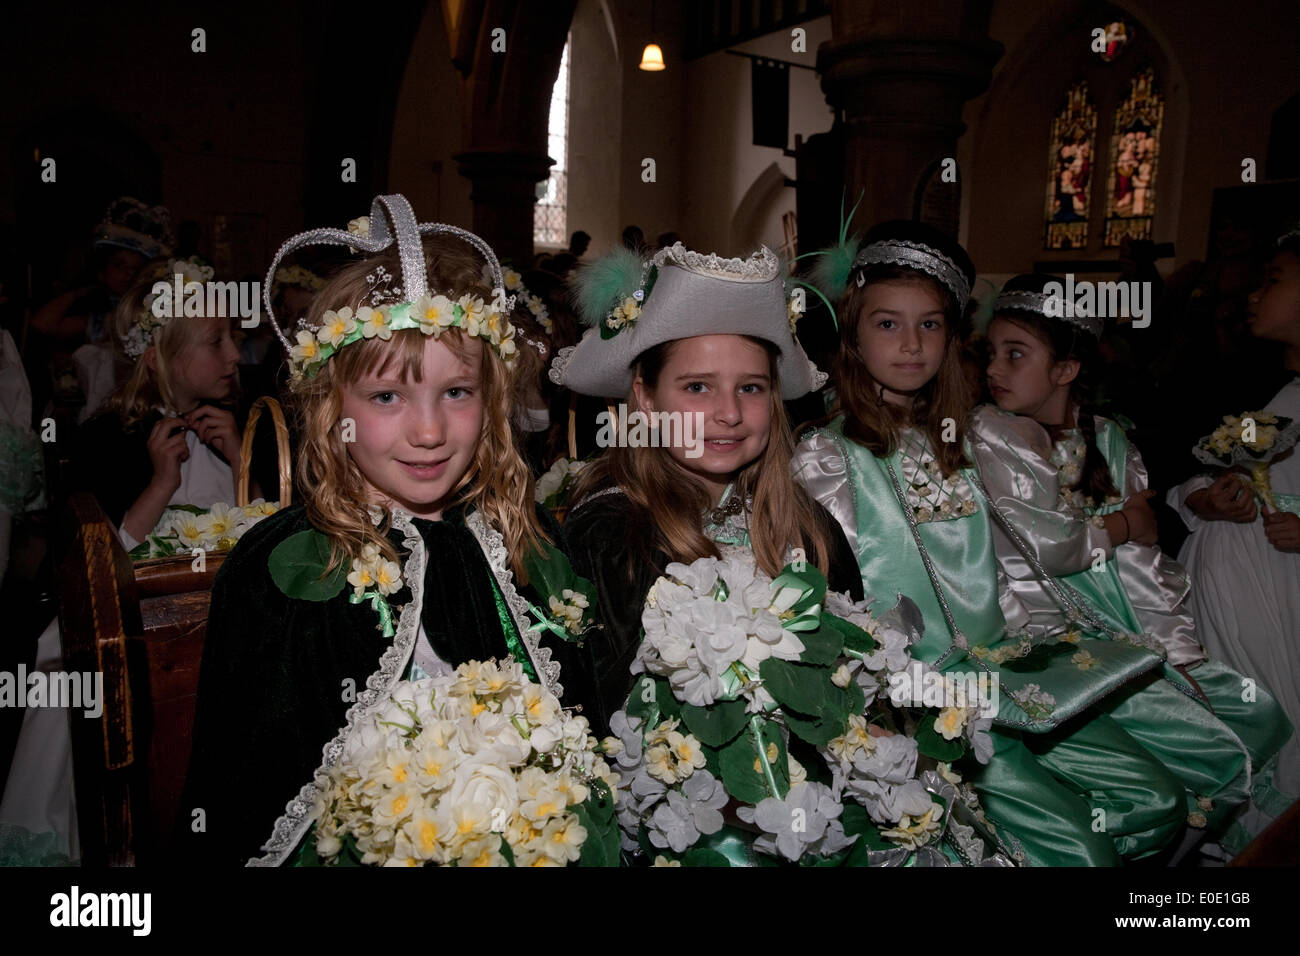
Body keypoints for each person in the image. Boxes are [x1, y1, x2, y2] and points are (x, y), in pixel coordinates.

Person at [177, 195, 594, 866]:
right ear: (330, 404)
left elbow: (584, 742)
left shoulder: (525, 543)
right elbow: (245, 791)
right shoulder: (285, 566)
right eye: (387, 397)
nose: (428, 433)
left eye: (456, 393)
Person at [793, 220, 1187, 866]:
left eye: (930, 324)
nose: (912, 344)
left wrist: (1035, 640)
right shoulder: (829, 457)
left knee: (1156, 800)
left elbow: (1002, 565)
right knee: (1082, 853)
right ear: (854, 335)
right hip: (927, 701)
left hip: (1006, 674)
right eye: (888, 324)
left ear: (951, 336)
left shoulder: (966, 440)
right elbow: (837, 604)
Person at [973, 272, 1292, 853]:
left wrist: (1179, 651)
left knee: (1259, 719)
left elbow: (1143, 565)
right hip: (1047, 640)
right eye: (990, 353)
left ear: (1067, 369)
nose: (994, 368)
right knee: (1165, 776)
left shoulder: (1110, 440)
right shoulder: (989, 433)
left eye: (1014, 354)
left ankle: (1182, 849)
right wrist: (1121, 525)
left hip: (1132, 633)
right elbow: (1039, 543)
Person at [553, 242, 861, 740]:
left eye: (751, 387)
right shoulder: (612, 535)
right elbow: (601, 712)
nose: (730, 413)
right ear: (647, 400)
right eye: (697, 387)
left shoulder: (810, 528)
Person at [0, 256, 243, 866]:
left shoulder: (235, 426)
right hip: (125, 635)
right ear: (162, 354)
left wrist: (242, 459)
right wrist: (161, 482)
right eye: (216, 342)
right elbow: (92, 566)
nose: (235, 355)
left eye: (234, 338)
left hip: (213, 631)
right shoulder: (110, 437)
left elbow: (264, 526)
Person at [1169, 227, 1300, 824]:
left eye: (1273, 280)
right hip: (1235, 608)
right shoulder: (1251, 377)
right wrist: (1205, 499)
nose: (1253, 294)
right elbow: (1186, 470)